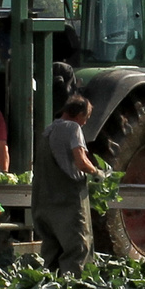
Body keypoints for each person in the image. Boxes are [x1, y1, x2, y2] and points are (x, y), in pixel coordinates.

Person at [31, 96, 103, 275]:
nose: (85, 123)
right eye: (85, 118)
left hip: (44, 204)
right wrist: (96, 172)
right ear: (78, 114)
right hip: (68, 204)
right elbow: (80, 160)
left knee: (52, 252)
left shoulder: (48, 130)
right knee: (77, 248)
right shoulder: (72, 128)